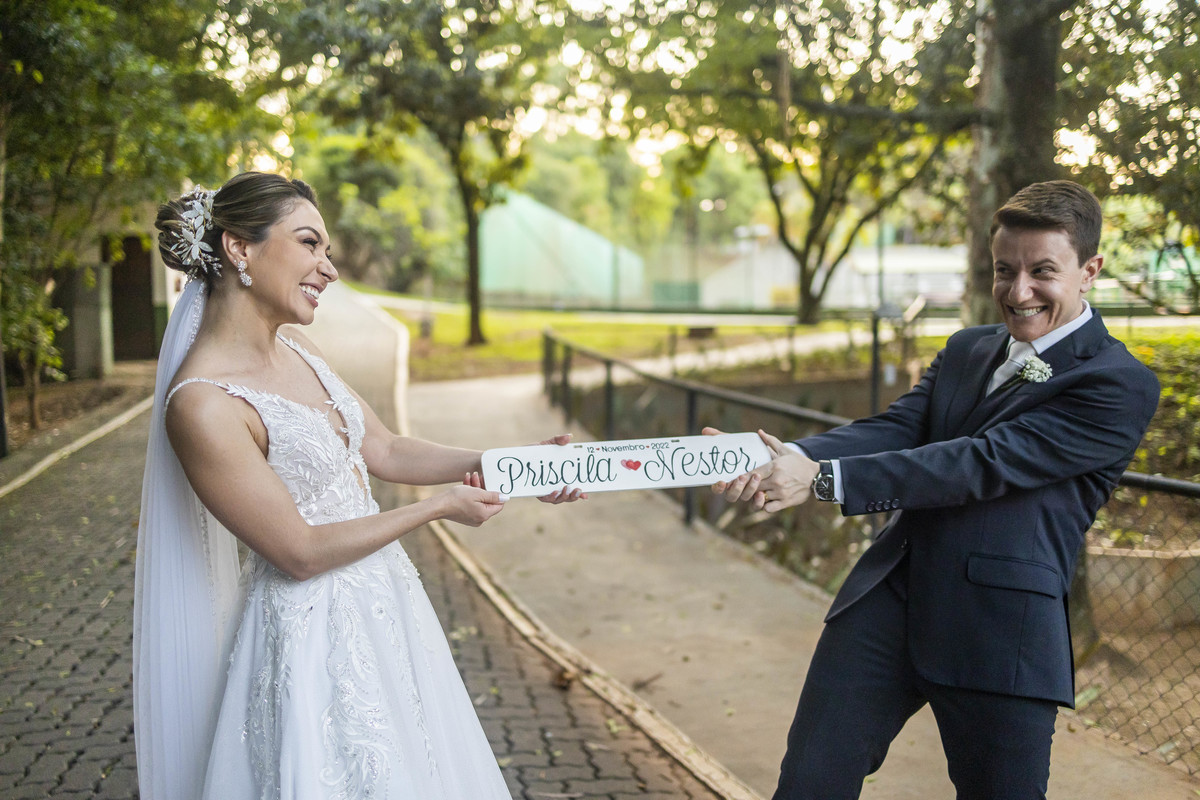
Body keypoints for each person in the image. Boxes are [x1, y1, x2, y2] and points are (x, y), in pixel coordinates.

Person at [133, 171, 581, 800]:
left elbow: (387, 449)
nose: (330, 268)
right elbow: (299, 552)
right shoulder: (203, 405)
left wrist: (518, 464)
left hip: (389, 610)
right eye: (311, 243)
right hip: (311, 639)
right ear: (240, 249)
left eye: (327, 250)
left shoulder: (301, 355)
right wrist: (437, 510)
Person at [709, 180, 1160, 799]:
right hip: (889, 601)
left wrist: (817, 480)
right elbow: (897, 428)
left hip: (1000, 630)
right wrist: (778, 457)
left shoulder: (1118, 383)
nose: (1018, 291)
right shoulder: (968, 347)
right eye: (1005, 270)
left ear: (1090, 271)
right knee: (808, 785)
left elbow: (982, 462)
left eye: (1042, 271)